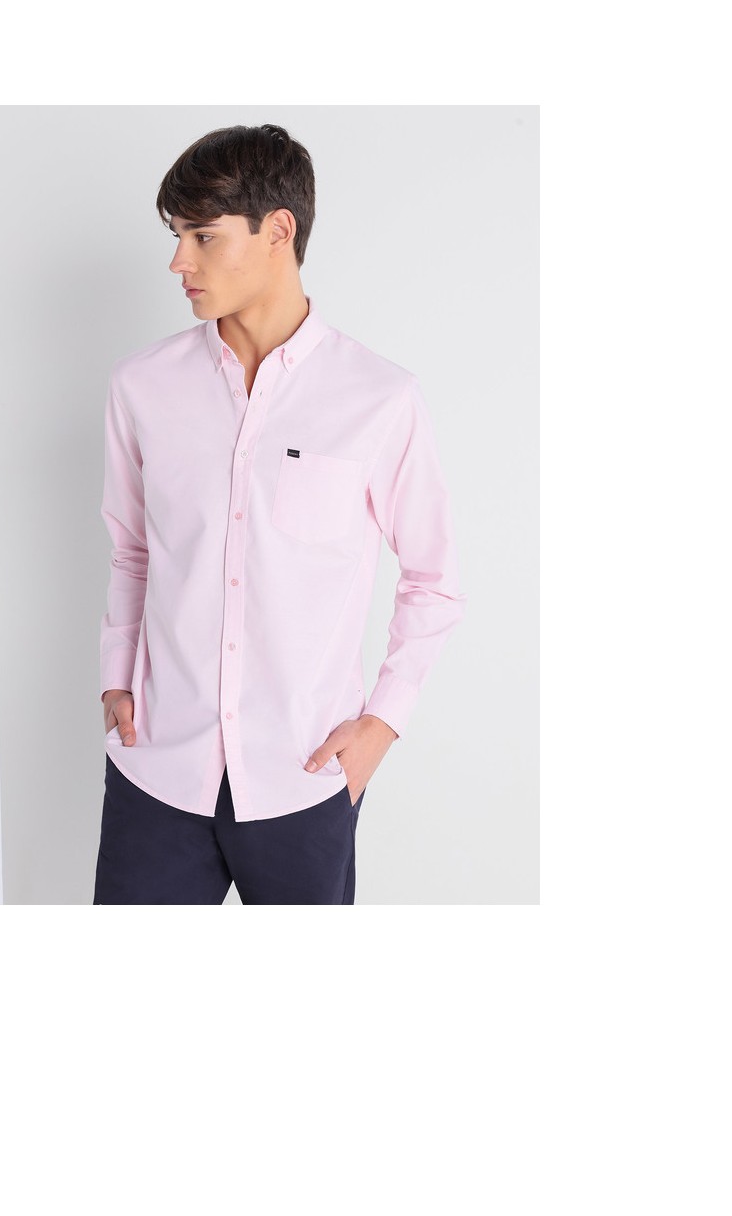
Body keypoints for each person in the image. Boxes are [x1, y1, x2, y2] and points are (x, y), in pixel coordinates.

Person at [93, 122, 466, 904]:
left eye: (202, 235)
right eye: (175, 235)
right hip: (156, 769)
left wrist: (381, 726)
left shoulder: (380, 399)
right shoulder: (141, 387)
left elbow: (433, 579)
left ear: (279, 230)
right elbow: (134, 552)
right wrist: (116, 678)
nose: (178, 261)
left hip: (304, 778)